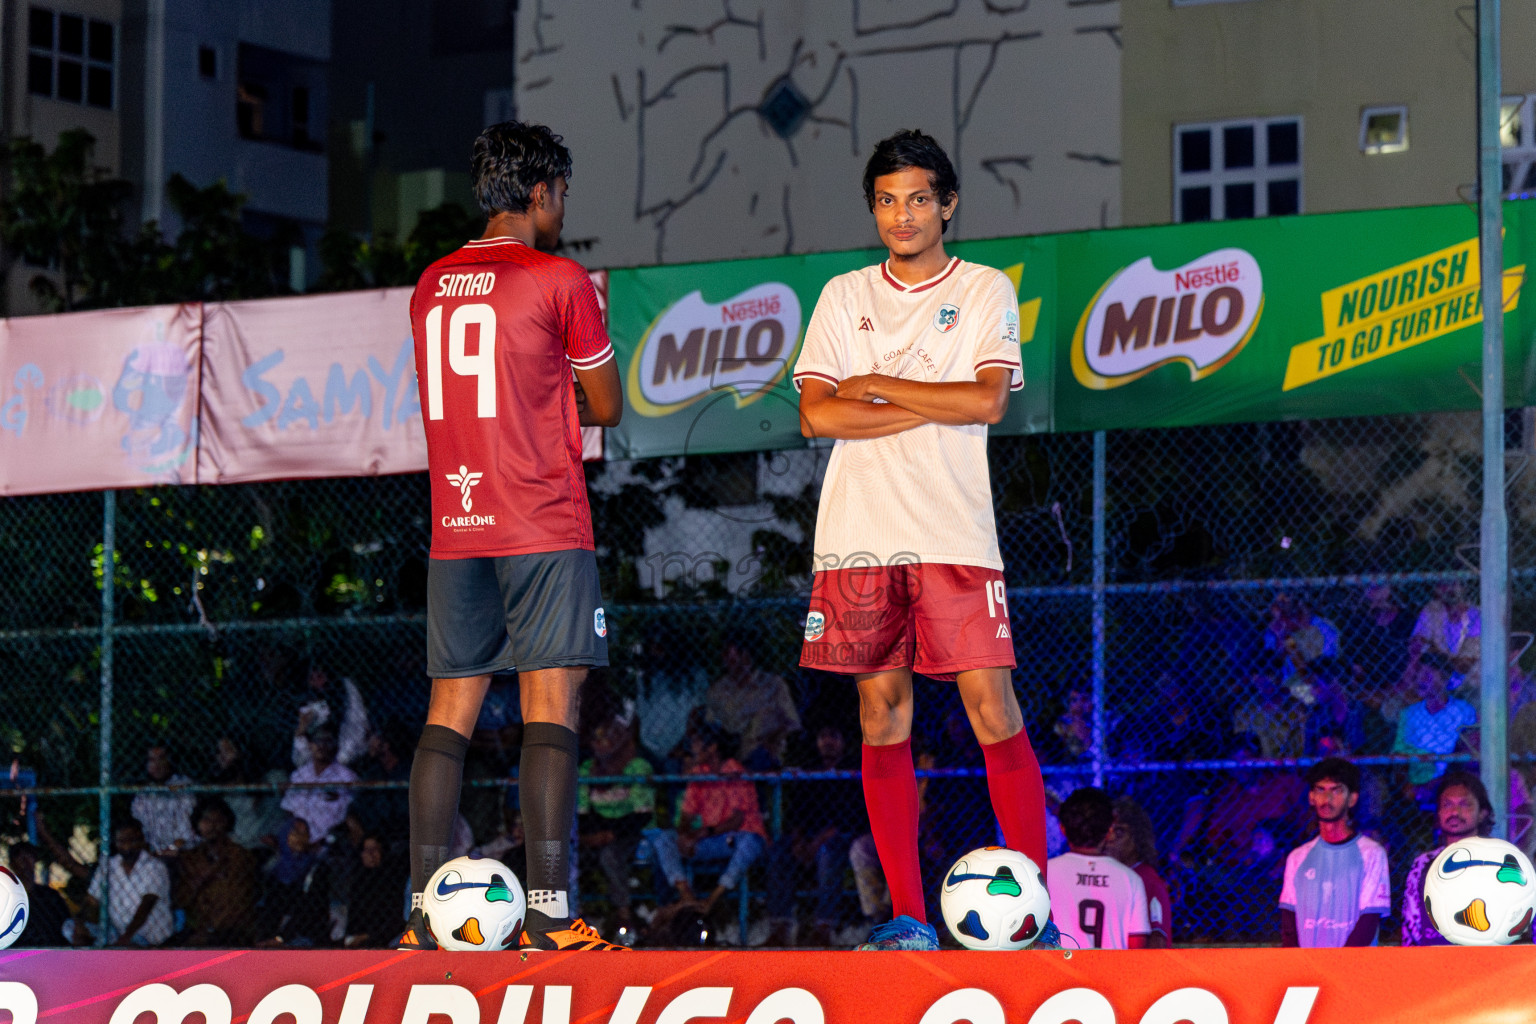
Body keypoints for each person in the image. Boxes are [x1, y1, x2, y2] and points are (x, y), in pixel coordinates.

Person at [793, 128, 1048, 952]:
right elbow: (816, 414)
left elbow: (985, 403)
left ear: (948, 205)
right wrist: (919, 399)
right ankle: (907, 918)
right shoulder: (841, 294)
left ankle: (1032, 916)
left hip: (954, 533)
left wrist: (874, 387)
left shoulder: (981, 291)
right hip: (859, 541)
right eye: (887, 200)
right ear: (874, 209)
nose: (902, 215)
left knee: (991, 708)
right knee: (881, 716)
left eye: (918, 199)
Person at [399, 119, 624, 953]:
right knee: (549, 709)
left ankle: (423, 916)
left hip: (458, 528)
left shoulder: (429, 285)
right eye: (561, 194)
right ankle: (550, 915)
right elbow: (608, 406)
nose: (562, 209)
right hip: (542, 520)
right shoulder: (559, 279)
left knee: (448, 712)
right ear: (540, 192)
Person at [765, 721, 869, 947]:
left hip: (841, 836)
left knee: (828, 853)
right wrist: (799, 840)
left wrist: (816, 842)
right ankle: (780, 926)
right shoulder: (809, 769)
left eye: (833, 736)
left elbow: (850, 817)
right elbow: (796, 813)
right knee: (780, 850)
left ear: (843, 741)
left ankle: (823, 926)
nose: (828, 742)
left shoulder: (852, 770)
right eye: (823, 736)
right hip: (810, 836)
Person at [646, 725, 766, 916]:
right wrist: (685, 836)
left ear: (712, 748)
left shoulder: (733, 770)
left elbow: (737, 820)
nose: (693, 749)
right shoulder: (700, 772)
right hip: (707, 839)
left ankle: (713, 899)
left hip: (733, 837)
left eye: (697, 743)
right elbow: (686, 815)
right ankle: (688, 898)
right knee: (663, 839)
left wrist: (705, 832)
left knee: (749, 842)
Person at [1278, 757, 1390, 947]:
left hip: (1353, 971)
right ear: (1311, 797)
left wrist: (1339, 969)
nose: (1327, 799)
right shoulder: (1297, 858)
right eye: (1320, 790)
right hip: (1308, 973)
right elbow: (1289, 923)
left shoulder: (1372, 854)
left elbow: (1369, 920)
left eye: (1336, 790)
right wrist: (1300, 968)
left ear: (1352, 798)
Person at [576, 715, 655, 945]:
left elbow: (642, 814)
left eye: (607, 739)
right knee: (566, 853)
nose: (600, 744)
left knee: (611, 855)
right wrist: (591, 836)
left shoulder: (637, 766)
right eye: (596, 740)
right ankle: (576, 914)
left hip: (631, 832)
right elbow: (583, 813)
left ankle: (624, 918)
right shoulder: (588, 769)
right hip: (596, 833)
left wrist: (611, 834)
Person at [1046, 788, 1151, 950]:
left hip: (1062, 972)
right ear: (1109, 830)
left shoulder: (1046, 873)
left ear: (1062, 828)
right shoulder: (1131, 879)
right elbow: (1138, 950)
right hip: (1112, 974)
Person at [1401, 771, 1493, 946]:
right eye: (1447, 804)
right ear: (1439, 812)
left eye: (1465, 804)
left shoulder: (1499, 861)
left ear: (1483, 813)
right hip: (1433, 964)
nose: (1454, 812)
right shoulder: (1423, 864)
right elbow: (1410, 928)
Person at [1393, 652, 1478, 803]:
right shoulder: (1409, 713)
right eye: (1418, 674)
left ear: (1445, 678)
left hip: (1454, 778)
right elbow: (1399, 751)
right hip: (1417, 781)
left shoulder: (1464, 711)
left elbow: (1471, 747)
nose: (1421, 679)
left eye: (1427, 675)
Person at [704, 638, 801, 771]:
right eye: (729, 657)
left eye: (742, 656)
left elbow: (792, 724)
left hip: (768, 752)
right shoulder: (718, 691)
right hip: (732, 755)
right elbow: (711, 727)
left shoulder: (773, 685)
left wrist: (774, 738)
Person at [173, 796, 258, 946]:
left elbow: (239, 900)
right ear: (197, 824)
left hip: (233, 931)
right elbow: (181, 899)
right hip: (199, 928)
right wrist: (207, 875)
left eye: (218, 820)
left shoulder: (241, 856)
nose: (212, 826)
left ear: (227, 823)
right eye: (206, 820)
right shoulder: (189, 858)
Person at [75, 818, 174, 947]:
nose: (127, 847)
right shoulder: (108, 866)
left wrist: (126, 938)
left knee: (132, 945)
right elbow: (91, 901)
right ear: (115, 842)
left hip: (148, 935)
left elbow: (146, 905)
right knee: (70, 927)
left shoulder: (154, 867)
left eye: (132, 841)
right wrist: (80, 923)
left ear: (142, 840)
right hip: (118, 933)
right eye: (122, 841)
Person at [1106, 796, 1171, 947]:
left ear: (1137, 839)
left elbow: (1157, 940)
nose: (1110, 838)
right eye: (1107, 831)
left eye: (1119, 832)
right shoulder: (1110, 875)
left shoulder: (1147, 881)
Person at [280, 726, 359, 844]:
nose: (322, 746)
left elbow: (350, 813)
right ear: (310, 745)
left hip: (328, 842)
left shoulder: (346, 777)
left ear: (335, 746)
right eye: (317, 741)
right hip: (297, 840)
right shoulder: (300, 774)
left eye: (328, 741)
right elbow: (288, 808)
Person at [292, 656, 371, 769]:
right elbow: (299, 760)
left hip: (347, 758)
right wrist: (301, 729)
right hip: (315, 765)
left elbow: (357, 725)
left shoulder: (344, 689)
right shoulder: (305, 701)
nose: (317, 682)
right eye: (311, 678)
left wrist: (341, 760)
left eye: (320, 676)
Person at [130, 743, 196, 855]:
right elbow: (139, 826)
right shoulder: (143, 793)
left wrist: (172, 849)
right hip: (151, 853)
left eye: (161, 758)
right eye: (152, 760)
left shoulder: (184, 786)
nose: (157, 765)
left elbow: (187, 829)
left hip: (183, 851)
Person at [344, 835, 406, 948]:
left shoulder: (392, 881)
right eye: (367, 850)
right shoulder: (357, 882)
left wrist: (368, 936)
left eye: (375, 849)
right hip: (360, 938)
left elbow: (394, 919)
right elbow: (353, 917)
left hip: (388, 936)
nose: (371, 854)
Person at [4, 842, 70, 946]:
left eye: (29, 857)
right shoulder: (6, 900)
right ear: (12, 864)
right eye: (21, 858)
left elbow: (67, 927)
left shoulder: (50, 896)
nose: (26, 863)